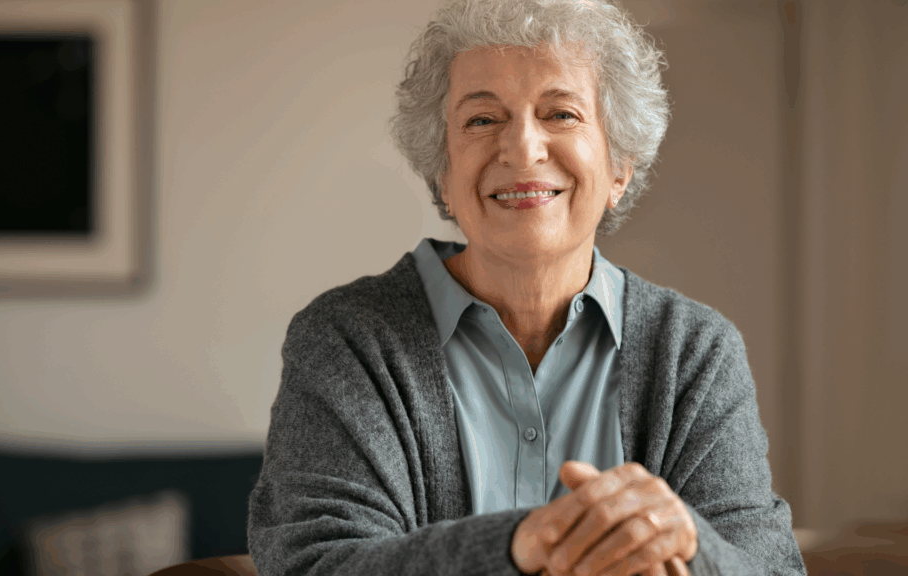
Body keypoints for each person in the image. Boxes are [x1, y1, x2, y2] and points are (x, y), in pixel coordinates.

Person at [247, 1, 806, 575]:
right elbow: (310, 565)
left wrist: (685, 541)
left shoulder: (695, 351)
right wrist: (520, 543)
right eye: (482, 120)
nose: (521, 149)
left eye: (561, 114)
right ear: (443, 171)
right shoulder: (347, 340)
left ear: (619, 168)